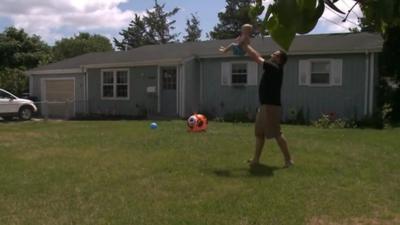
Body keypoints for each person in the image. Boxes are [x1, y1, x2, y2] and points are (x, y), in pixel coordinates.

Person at [242, 44, 294, 168]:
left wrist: (245, 45)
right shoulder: (272, 66)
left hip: (271, 107)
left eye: (275, 54)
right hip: (265, 105)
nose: (272, 55)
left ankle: (288, 160)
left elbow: (256, 57)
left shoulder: (275, 67)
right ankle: (256, 160)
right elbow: (259, 56)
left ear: (279, 59)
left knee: (277, 133)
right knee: (259, 134)